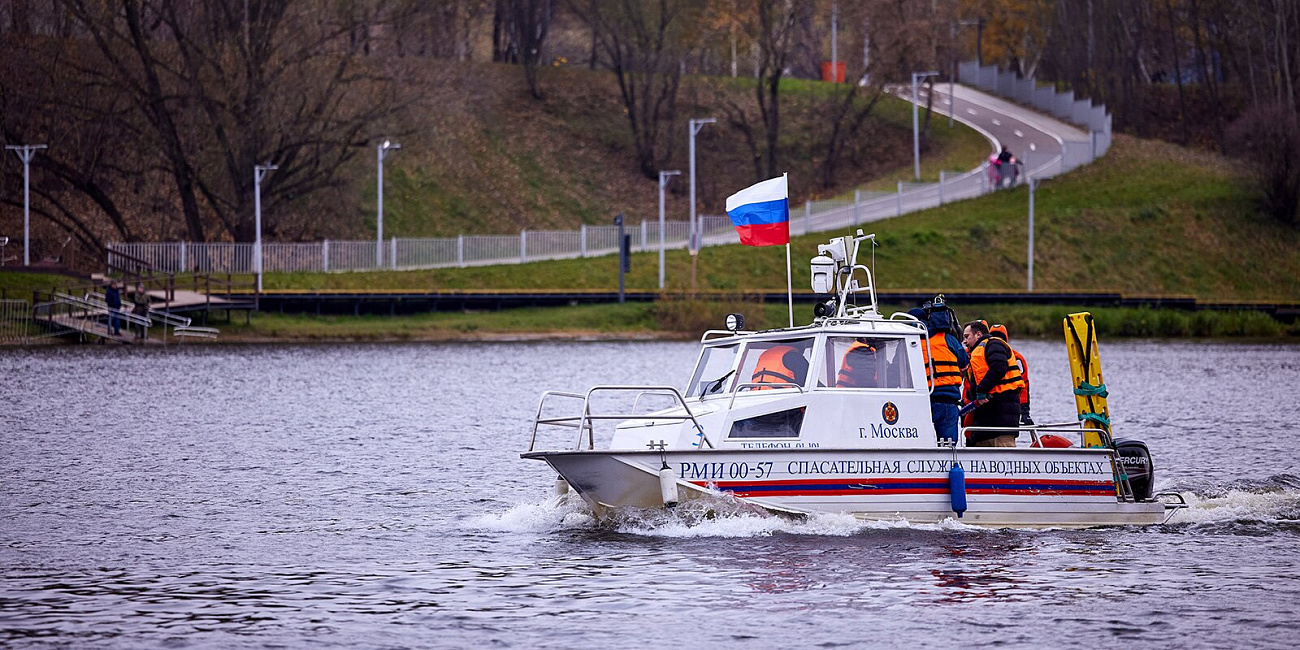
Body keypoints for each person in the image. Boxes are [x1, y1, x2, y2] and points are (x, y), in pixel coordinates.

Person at [913, 301, 969, 444]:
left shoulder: (915, 341)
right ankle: (949, 464)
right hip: (949, 400)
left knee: (918, 442)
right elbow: (964, 361)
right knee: (949, 445)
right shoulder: (949, 339)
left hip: (923, 401)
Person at [962, 320, 1025, 447]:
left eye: (967, 336)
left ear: (978, 334)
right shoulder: (975, 354)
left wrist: (981, 390)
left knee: (1005, 457)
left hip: (1001, 417)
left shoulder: (994, 344)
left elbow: (999, 367)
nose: (965, 341)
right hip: (985, 421)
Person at [990, 324, 1032, 425]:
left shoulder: (1016, 358)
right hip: (986, 406)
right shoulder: (978, 355)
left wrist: (1025, 412)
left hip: (1007, 405)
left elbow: (1023, 385)